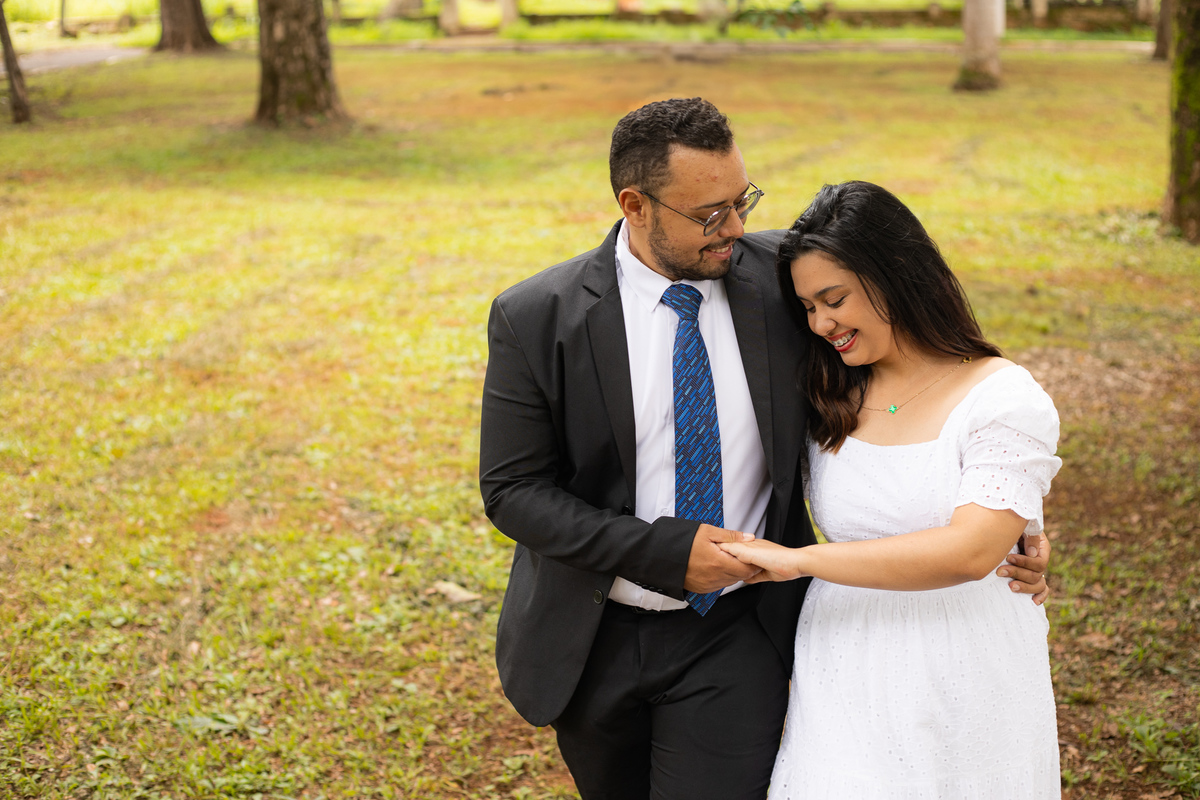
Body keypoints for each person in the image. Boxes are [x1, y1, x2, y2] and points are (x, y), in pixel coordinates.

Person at [478, 99, 1050, 800]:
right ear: (636, 204)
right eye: (709, 214)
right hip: (592, 634)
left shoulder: (784, 278)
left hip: (736, 632)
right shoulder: (538, 316)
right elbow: (512, 492)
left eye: (741, 200)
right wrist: (662, 552)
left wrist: (1008, 509)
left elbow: (919, 356)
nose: (736, 228)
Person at [720, 180, 1062, 799]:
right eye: (807, 308)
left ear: (896, 273)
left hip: (967, 661)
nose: (822, 323)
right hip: (843, 658)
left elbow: (969, 551)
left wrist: (797, 562)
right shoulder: (827, 394)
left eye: (834, 299)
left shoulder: (1004, 397)